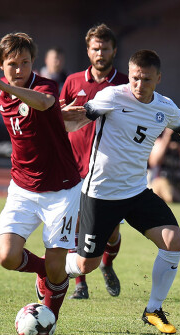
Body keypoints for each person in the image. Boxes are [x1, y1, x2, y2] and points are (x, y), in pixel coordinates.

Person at [63, 49, 180, 334]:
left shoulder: (166, 107)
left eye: (146, 79)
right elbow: (79, 120)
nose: (139, 84)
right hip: (100, 193)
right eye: (135, 77)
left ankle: (153, 310)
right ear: (129, 73)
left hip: (136, 192)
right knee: (85, 265)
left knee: (173, 241)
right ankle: (51, 269)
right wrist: (55, 120)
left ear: (158, 78)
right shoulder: (112, 97)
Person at [0, 33, 82, 324]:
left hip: (61, 189)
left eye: (26, 62)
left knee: (59, 266)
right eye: (13, 64)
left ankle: (47, 321)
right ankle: (42, 272)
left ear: (33, 63)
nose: (20, 69)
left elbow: (46, 101)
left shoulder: (43, 85)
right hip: (22, 187)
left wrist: (2, 84)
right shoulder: (3, 89)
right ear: (1, 64)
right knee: (6, 256)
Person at [60, 23, 128, 300]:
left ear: (114, 50)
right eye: (95, 48)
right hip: (73, 167)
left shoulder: (125, 84)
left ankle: (107, 264)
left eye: (105, 48)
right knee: (75, 226)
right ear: (88, 50)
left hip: (108, 168)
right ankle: (79, 284)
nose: (100, 53)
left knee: (110, 232)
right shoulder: (73, 81)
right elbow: (58, 119)